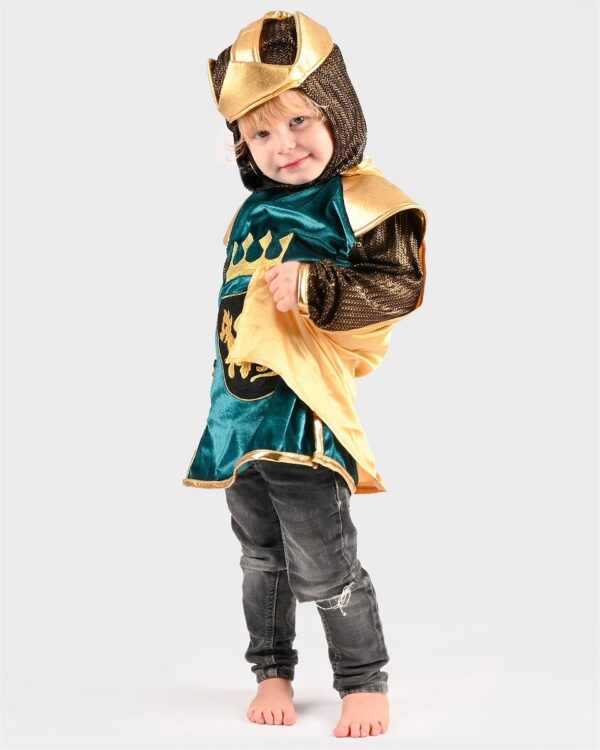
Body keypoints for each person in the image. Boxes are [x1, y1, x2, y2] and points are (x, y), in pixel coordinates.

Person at [182, 10, 427, 739]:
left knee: (323, 563)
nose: (283, 146)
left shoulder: (358, 198)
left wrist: (318, 285)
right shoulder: (250, 212)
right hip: (237, 417)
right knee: (260, 558)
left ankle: (363, 679)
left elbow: (400, 284)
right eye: (260, 134)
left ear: (336, 112)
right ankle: (272, 669)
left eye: (298, 121)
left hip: (302, 417)